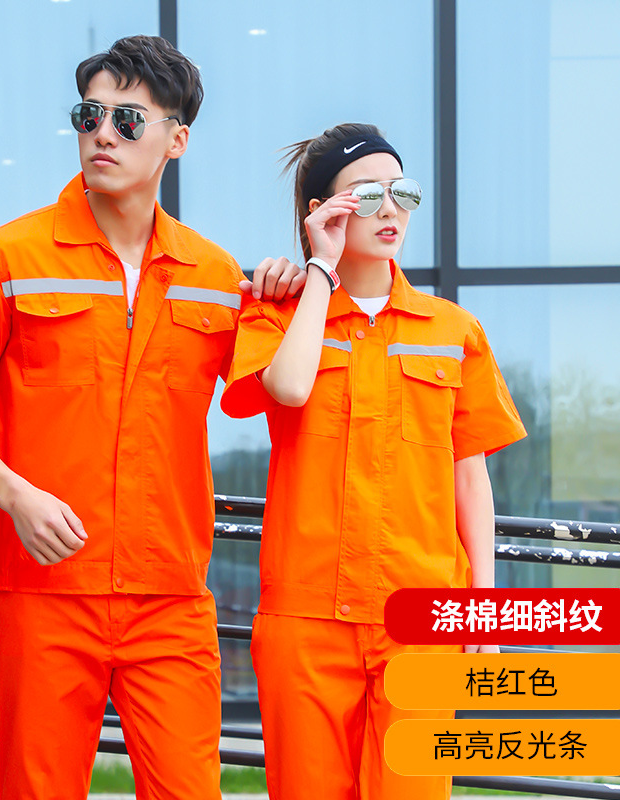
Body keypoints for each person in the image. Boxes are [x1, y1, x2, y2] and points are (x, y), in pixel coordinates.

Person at [0, 35, 304, 800]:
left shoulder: (216, 276)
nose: (102, 134)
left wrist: (298, 289)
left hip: (171, 597)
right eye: (89, 115)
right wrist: (14, 493)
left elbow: (281, 390)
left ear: (176, 140)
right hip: (44, 590)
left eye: (128, 120)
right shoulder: (5, 257)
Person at [221, 122, 527, 800]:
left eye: (402, 192)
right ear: (322, 212)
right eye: (365, 195)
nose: (390, 209)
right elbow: (287, 389)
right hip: (306, 620)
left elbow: (469, 475)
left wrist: (486, 606)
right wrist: (318, 272)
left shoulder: (452, 331)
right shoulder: (277, 315)